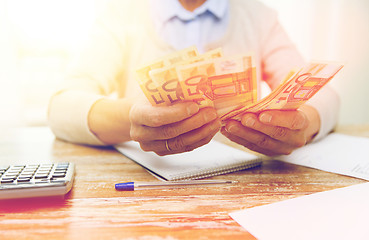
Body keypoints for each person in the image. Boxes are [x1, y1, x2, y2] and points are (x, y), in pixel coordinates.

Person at [48, 0, 339, 156]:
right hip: (147, 189)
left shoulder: (259, 17)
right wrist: (132, 118)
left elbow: (324, 97)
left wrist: (304, 123)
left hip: (240, 189)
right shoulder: (122, 13)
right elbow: (61, 107)